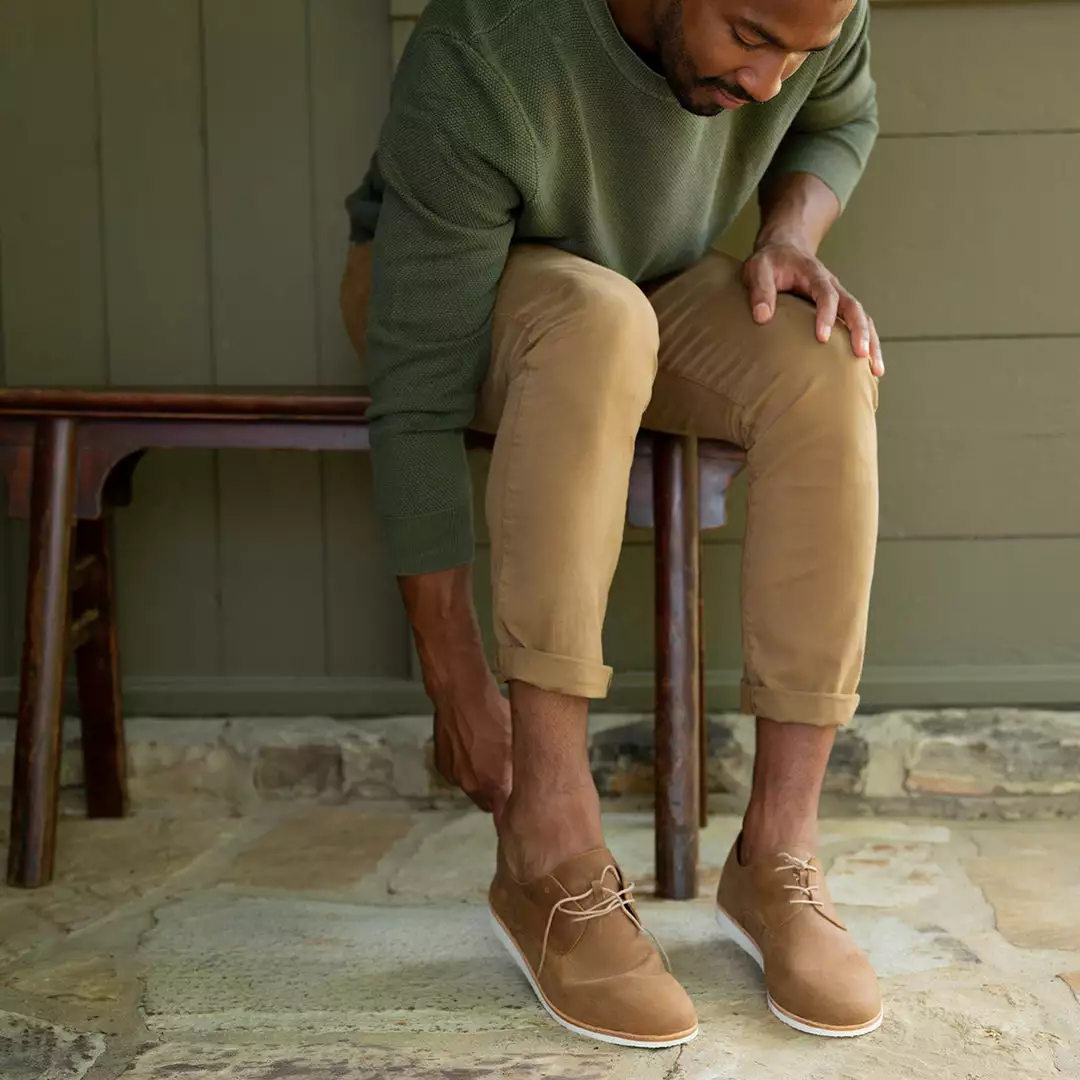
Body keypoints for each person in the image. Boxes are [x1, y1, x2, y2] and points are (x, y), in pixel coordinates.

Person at [341, 0, 885, 1048]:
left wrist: (787, 236)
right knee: (597, 318)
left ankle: (778, 855)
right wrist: (453, 674)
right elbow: (415, 399)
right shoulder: (485, 54)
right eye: (750, 36)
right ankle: (546, 845)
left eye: (798, 52)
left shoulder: (823, 11)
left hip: (649, 277)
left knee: (826, 362)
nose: (768, 83)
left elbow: (838, 116)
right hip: (447, 286)